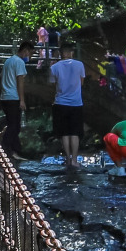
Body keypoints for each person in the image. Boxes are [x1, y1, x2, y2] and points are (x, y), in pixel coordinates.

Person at [50, 41, 87, 176]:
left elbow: (54, 85)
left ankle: (67, 159)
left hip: (60, 103)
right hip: (76, 102)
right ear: (71, 52)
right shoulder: (79, 65)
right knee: (75, 132)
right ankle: (75, 160)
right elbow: (81, 82)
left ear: (61, 53)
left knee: (64, 132)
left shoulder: (55, 67)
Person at [0, 40, 32, 161]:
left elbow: (1, 76)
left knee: (13, 125)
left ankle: (14, 150)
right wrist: (22, 100)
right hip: (14, 98)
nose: (30, 57)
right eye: (30, 54)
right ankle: (5, 148)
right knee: (14, 126)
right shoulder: (19, 62)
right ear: (25, 51)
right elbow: (20, 82)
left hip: (4, 97)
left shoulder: (8, 61)